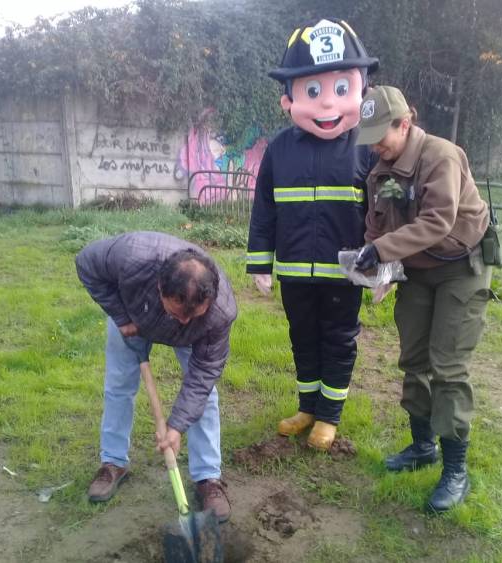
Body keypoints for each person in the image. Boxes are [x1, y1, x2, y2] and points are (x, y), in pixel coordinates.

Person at [353, 86, 491, 513]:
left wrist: (383, 250)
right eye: (370, 137)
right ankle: (421, 447)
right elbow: (377, 229)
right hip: (415, 270)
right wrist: (377, 268)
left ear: (405, 123)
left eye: (382, 135)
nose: (376, 146)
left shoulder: (440, 155)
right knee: (414, 360)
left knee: (447, 367)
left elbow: (437, 221)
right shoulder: (381, 170)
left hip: (458, 269)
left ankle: (455, 471)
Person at [246, 18, 378, 451]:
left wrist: (387, 268)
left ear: (361, 90)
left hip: (346, 273)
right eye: (313, 91)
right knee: (302, 338)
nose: (327, 105)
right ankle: (307, 406)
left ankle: (329, 417)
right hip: (295, 271)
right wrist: (259, 264)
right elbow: (264, 207)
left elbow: (387, 215)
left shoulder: (368, 146)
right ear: (289, 98)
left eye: (341, 89)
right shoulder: (280, 149)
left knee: (338, 342)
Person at [75, 232, 237, 522]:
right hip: (135, 316)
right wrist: (121, 318)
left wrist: (175, 427)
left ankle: (208, 478)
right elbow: (86, 264)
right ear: (159, 287)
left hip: (194, 334)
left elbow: (202, 376)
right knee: (119, 385)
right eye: (178, 312)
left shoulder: (219, 313)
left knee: (206, 396)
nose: (184, 321)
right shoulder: (132, 257)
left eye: (193, 315)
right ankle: (113, 463)